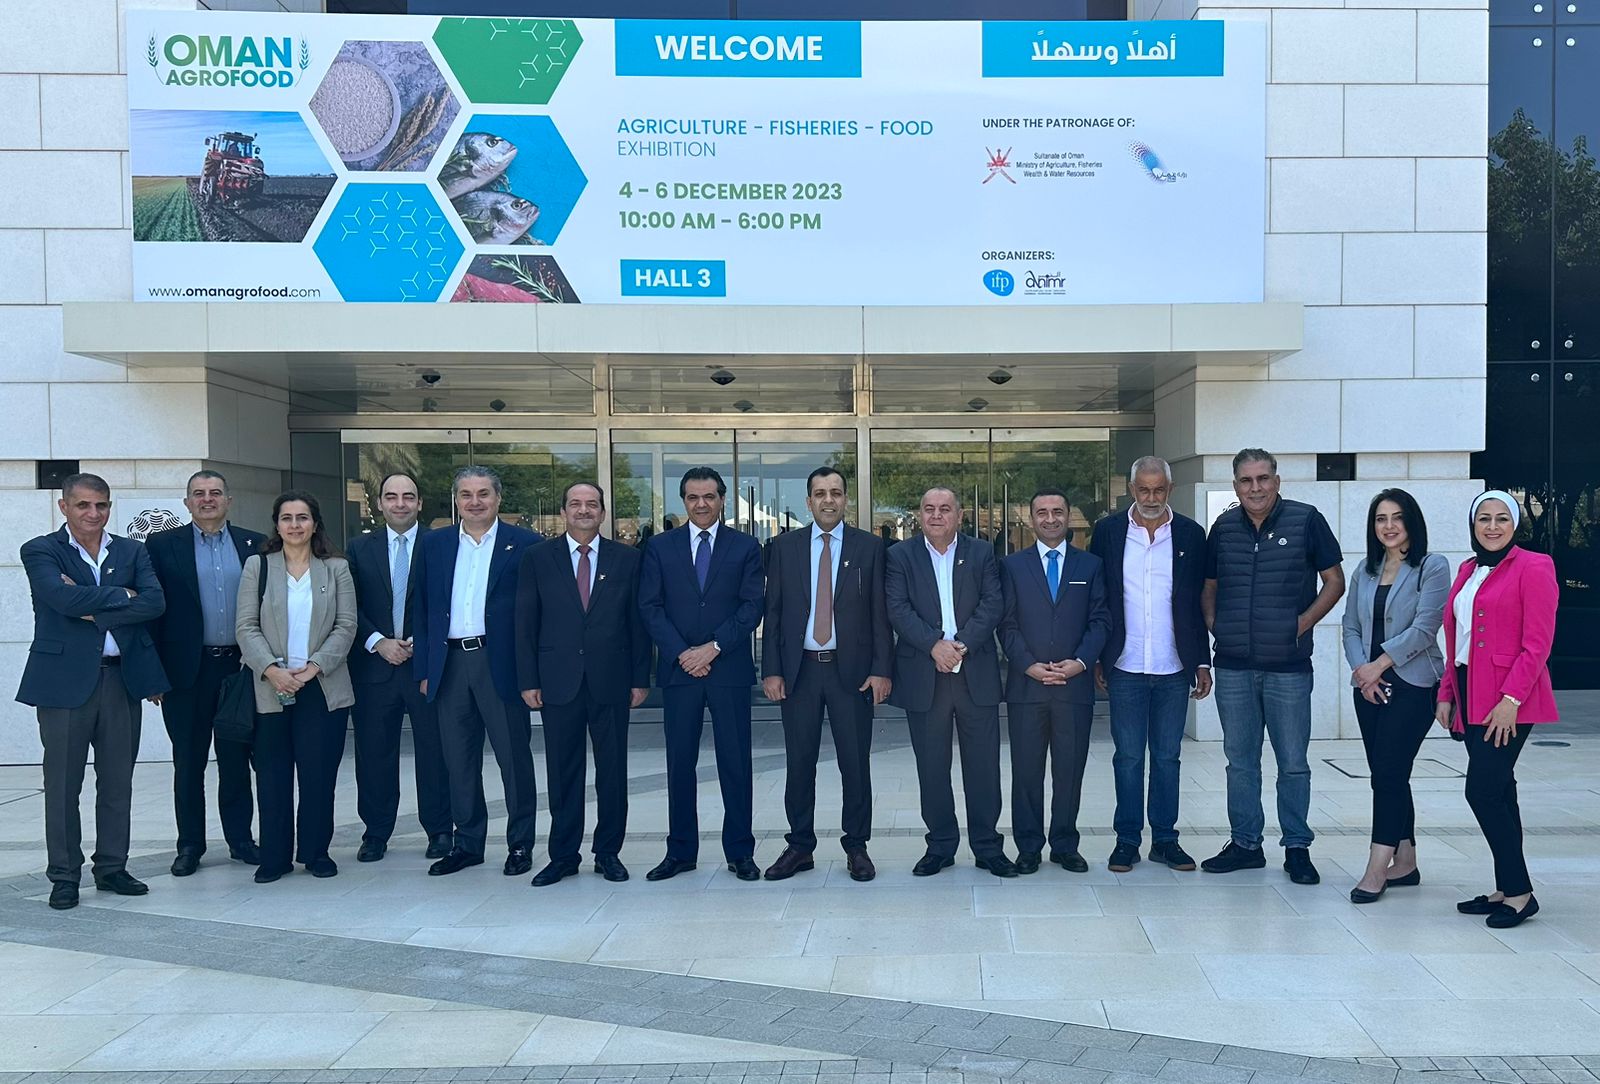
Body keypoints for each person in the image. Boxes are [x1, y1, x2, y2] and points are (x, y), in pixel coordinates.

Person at [17, 474, 168, 911]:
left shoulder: (132, 550)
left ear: (109, 507)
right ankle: (65, 876)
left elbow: (155, 602)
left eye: (101, 505)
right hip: (63, 683)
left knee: (118, 782)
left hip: (122, 680)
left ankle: (112, 867)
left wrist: (95, 608)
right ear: (64, 507)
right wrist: (122, 595)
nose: (93, 513)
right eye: (83, 505)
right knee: (63, 785)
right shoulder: (41, 549)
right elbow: (59, 600)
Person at [1201, 448, 1345, 886]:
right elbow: (1209, 585)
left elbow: (1334, 581)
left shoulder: (1307, 520)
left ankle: (1297, 847)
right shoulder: (1223, 528)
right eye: (1246, 481)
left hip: (1288, 667)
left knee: (1293, 763)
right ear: (1235, 486)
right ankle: (1246, 844)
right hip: (1234, 666)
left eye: (1263, 478)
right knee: (1240, 761)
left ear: (1277, 481)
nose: (1255, 487)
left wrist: (1301, 624)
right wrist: (1215, 625)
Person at [760, 468, 893, 883]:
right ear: (808, 502)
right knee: (800, 763)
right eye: (820, 493)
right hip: (799, 672)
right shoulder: (784, 547)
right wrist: (771, 670)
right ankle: (800, 846)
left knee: (855, 763)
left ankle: (857, 846)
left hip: (850, 673)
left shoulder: (870, 547)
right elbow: (773, 613)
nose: (828, 500)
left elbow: (880, 614)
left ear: (846, 499)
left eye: (835, 492)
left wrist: (881, 670)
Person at [516, 482, 650, 886]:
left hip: (612, 680)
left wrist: (640, 678)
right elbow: (525, 623)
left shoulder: (628, 559)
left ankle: (608, 853)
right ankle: (563, 855)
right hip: (558, 682)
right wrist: (528, 679)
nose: (584, 510)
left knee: (612, 772)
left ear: (603, 513)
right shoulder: (537, 558)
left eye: (592, 504)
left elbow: (638, 624)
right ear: (563, 512)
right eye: (575, 504)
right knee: (563, 772)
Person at [412, 466, 543, 876]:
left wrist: (531, 675)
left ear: (498, 498)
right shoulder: (434, 544)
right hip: (449, 664)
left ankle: (520, 844)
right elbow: (422, 609)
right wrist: (425, 668)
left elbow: (536, 614)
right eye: (466, 494)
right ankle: (467, 843)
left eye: (483, 493)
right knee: (458, 760)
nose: (475, 502)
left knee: (513, 759)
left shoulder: (525, 544)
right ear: (456, 500)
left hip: (499, 663)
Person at [1438, 490, 1559, 928]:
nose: (1493, 527)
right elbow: (1457, 638)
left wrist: (1511, 701)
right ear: (1473, 525)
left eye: (1502, 518)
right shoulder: (1467, 569)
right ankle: (1507, 888)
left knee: (1482, 791)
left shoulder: (1535, 566)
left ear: (1515, 525)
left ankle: (1521, 893)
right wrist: (1447, 693)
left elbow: (1538, 643)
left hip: (1508, 696)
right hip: (1470, 689)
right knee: (1501, 790)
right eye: (1484, 519)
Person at [638, 467, 765, 882]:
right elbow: (650, 607)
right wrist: (682, 653)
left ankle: (740, 852)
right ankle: (680, 852)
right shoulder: (660, 547)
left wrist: (712, 647)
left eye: (709, 496)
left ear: (722, 500)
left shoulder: (745, 547)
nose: (701, 504)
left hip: (727, 669)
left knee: (736, 763)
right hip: (680, 673)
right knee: (679, 763)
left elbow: (752, 606)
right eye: (693, 497)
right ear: (684, 501)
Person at [1089, 457, 1211, 873]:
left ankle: (1164, 840)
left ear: (1170, 490)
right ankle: (1126, 840)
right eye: (1144, 489)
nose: (1151, 497)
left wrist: (1202, 661)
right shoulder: (1108, 532)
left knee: (1167, 757)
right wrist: (1098, 655)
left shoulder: (1191, 534)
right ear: (1131, 489)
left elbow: (1197, 602)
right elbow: (1098, 598)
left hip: (1174, 665)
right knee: (1127, 757)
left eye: (1159, 489)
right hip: (1124, 664)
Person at [885, 487, 1011, 877]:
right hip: (926, 675)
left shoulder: (982, 552)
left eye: (944, 509)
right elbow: (897, 608)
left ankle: (987, 847)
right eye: (929, 509)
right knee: (932, 767)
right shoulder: (899, 556)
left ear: (959, 515)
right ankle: (940, 846)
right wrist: (933, 645)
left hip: (975, 673)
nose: (936, 515)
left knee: (983, 766)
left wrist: (962, 645)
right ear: (918, 515)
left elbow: (993, 602)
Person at [144, 470, 264, 877]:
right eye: (199, 493)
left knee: (235, 760)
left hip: (239, 669)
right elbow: (152, 612)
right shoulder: (162, 545)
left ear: (229, 500)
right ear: (187, 502)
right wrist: (153, 675)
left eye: (215, 493)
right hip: (185, 672)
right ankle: (190, 846)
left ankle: (241, 840)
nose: (207, 499)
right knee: (188, 762)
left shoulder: (254, 544)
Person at [236, 491, 357, 883]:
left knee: (318, 776)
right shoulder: (258, 566)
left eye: (302, 517)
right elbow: (245, 627)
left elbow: (347, 626)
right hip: (270, 687)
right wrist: (272, 670)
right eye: (286, 518)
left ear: (315, 523)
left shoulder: (336, 568)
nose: (294, 525)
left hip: (322, 686)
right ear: (277, 524)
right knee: (272, 776)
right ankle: (274, 857)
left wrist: (314, 667)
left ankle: (316, 852)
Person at [1341, 489, 1450, 904]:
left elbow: (1425, 629)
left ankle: (1376, 870)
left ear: (1412, 522)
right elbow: (1351, 626)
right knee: (1389, 774)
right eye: (1380, 518)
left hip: (1412, 685)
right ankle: (1405, 861)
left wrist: (1378, 665)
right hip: (1368, 687)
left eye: (1397, 517)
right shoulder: (1365, 570)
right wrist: (1362, 671)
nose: (1389, 526)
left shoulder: (1432, 567)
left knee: (1387, 775)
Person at [999, 488, 1110, 874]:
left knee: (1069, 771)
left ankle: (1065, 845)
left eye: (1057, 511)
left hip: (1073, 687)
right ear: (1031, 519)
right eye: (1042, 512)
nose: (1050, 519)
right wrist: (1027, 665)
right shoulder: (1011, 566)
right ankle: (1028, 847)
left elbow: (1101, 620)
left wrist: (1080, 663)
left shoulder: (1090, 565)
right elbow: (1006, 624)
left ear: (1068, 516)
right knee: (1026, 773)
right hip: (1026, 688)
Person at [345, 473, 452, 863]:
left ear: (420, 503)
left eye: (408, 496)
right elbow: (348, 605)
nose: (400, 503)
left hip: (426, 667)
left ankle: (439, 830)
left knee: (434, 751)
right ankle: (375, 832)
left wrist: (422, 642)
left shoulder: (441, 545)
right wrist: (378, 642)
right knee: (374, 754)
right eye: (392, 497)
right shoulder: (358, 548)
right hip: (374, 668)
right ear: (379, 504)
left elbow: (448, 600)